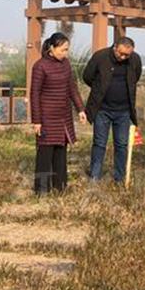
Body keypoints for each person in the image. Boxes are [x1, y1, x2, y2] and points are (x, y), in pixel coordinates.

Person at [30, 32, 87, 194]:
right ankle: (41, 190)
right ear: (52, 48)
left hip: (63, 117)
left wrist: (80, 109)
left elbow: (72, 88)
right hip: (47, 117)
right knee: (45, 153)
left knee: (61, 152)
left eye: (67, 50)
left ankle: (60, 187)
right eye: (63, 50)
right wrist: (37, 120)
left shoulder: (66, 64)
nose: (65, 53)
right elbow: (34, 94)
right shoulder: (40, 66)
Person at [83, 37, 143, 182]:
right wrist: (100, 89)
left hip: (123, 111)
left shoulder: (135, 59)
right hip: (102, 109)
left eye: (127, 55)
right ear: (114, 47)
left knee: (121, 144)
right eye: (120, 53)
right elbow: (87, 76)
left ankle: (119, 177)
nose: (123, 57)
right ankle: (95, 175)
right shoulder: (100, 57)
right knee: (99, 143)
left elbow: (135, 77)